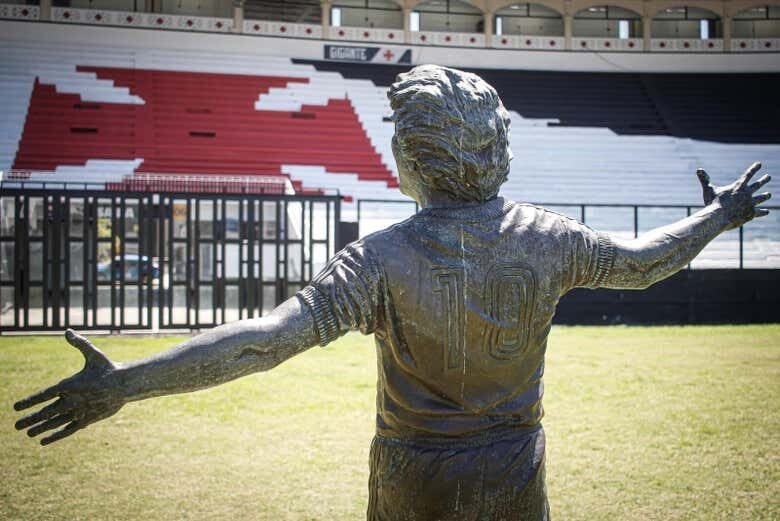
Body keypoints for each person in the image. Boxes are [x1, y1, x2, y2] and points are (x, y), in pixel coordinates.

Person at [14, 65, 772, 520]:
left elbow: (263, 340)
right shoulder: (549, 237)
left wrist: (123, 383)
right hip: (514, 469)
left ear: (413, 158)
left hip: (415, 476)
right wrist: (720, 213)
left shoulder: (378, 259)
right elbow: (645, 261)